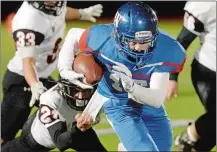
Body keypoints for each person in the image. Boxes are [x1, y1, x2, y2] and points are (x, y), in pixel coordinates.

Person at [58, 2, 186, 151]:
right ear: (118, 36)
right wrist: (64, 69)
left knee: (163, 147)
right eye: (133, 42)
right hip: (118, 104)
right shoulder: (103, 39)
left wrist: (131, 86)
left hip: (148, 102)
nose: (139, 48)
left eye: (145, 41)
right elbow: (73, 34)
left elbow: (156, 99)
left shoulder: (165, 50)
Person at [1, 0, 103, 143]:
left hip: (42, 78)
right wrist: (34, 85)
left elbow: (61, 12)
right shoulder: (28, 19)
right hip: (22, 81)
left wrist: (81, 13)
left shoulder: (52, 7)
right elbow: (28, 62)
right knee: (4, 136)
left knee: (71, 117)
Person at [1, 53, 106, 152]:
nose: (81, 96)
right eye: (76, 90)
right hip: (35, 142)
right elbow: (60, 142)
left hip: (76, 128)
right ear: (66, 85)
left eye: (86, 90)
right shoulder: (51, 99)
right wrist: (78, 128)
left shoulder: (96, 95)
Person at [166, 1, 216, 151]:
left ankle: (190, 146)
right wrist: (172, 77)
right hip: (208, 70)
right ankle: (191, 134)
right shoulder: (206, 4)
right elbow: (182, 42)